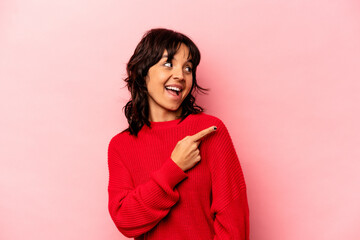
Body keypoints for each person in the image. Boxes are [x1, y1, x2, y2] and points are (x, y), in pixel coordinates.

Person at [107, 28, 250, 240]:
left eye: (188, 68)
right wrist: (174, 168)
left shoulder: (209, 132)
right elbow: (126, 220)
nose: (180, 75)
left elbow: (233, 223)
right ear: (142, 72)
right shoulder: (121, 145)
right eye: (168, 64)